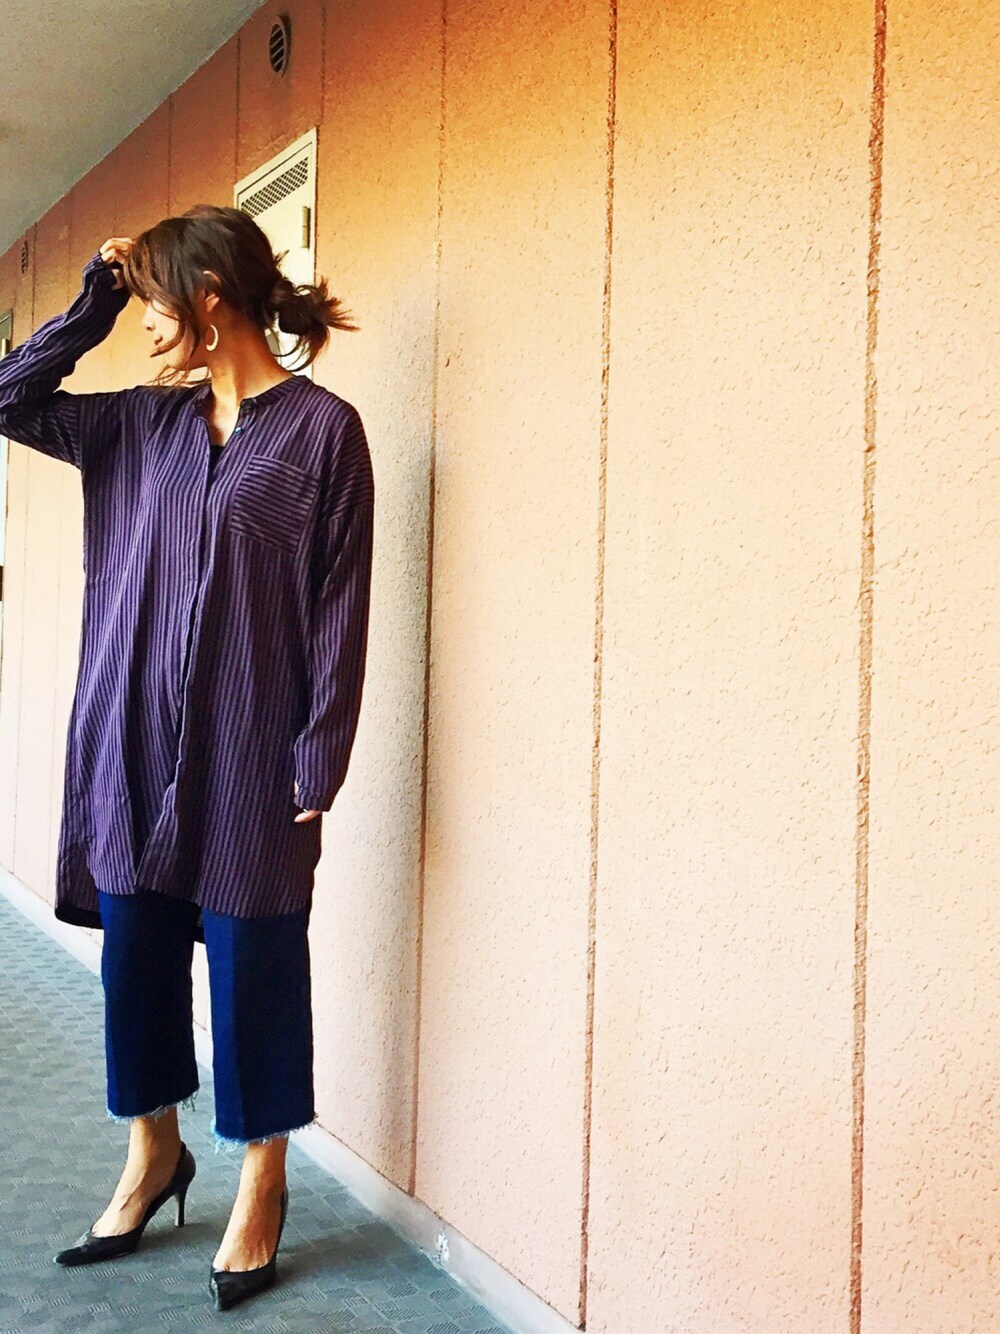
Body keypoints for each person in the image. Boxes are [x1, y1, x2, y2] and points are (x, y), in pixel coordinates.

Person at [0, 204, 374, 1310]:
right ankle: (152, 1152)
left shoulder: (323, 432)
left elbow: (340, 602)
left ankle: (263, 1176)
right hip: (130, 741)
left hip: (253, 749)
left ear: (210, 299)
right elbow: (8, 396)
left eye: (155, 303)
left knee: (257, 965)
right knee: (138, 960)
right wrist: (95, 298)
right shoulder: (137, 425)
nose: (148, 326)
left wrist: (320, 752)